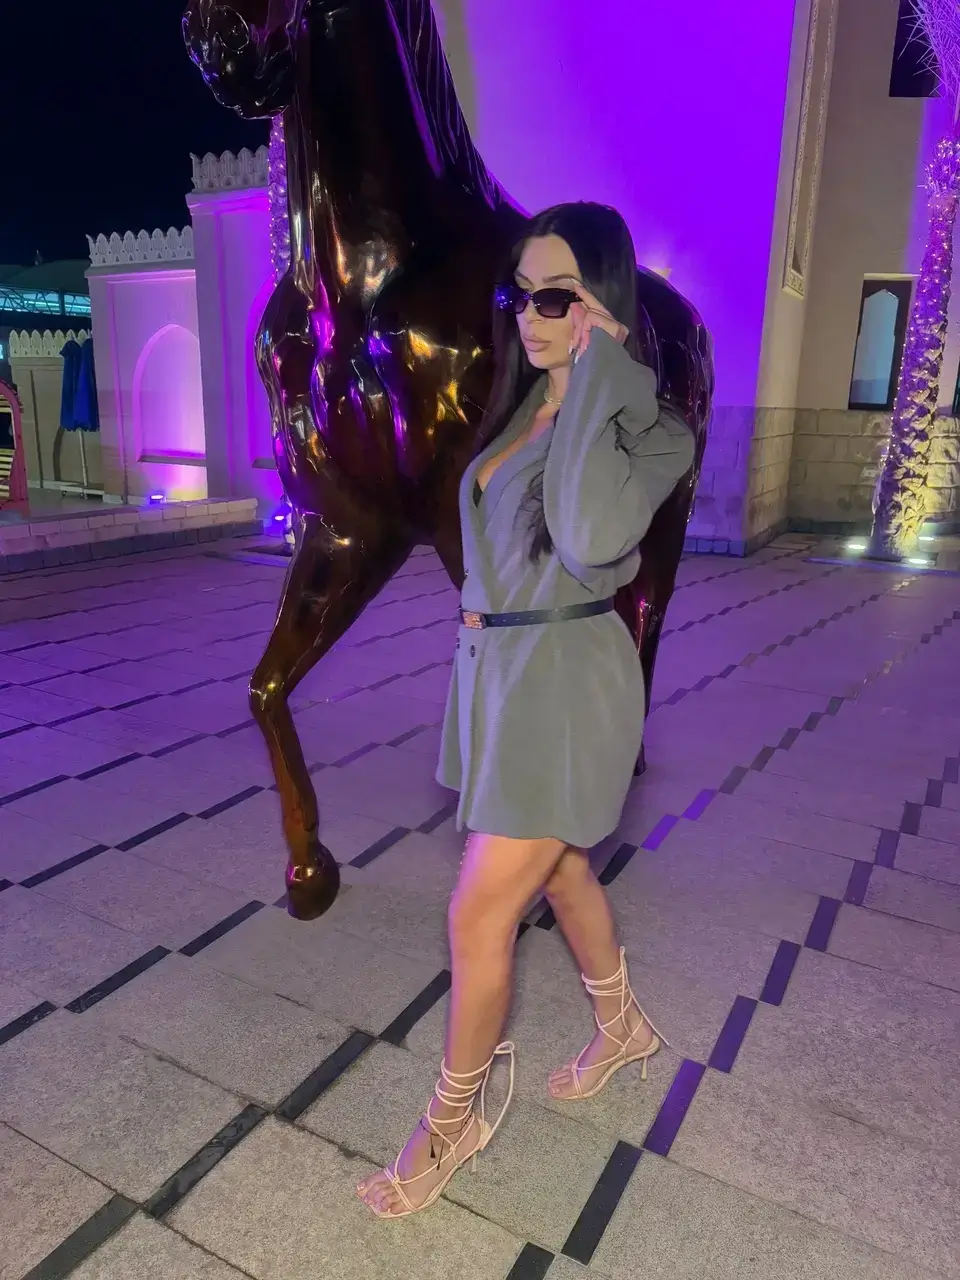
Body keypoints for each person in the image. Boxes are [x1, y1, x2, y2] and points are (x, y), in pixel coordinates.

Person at [358, 202, 696, 1218]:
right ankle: (624, 1027)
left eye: (558, 297)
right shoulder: (524, 409)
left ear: (607, 305)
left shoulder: (650, 431)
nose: (530, 316)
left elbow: (588, 535)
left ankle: (452, 1121)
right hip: (504, 677)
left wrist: (602, 374)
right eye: (522, 296)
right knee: (562, 867)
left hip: (568, 688)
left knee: (477, 911)